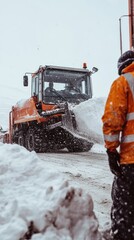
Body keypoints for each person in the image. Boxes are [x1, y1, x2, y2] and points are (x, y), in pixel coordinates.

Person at [102, 50, 134, 240]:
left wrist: (111, 151)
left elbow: (113, 119)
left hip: (131, 162)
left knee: (126, 209)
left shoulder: (123, 82)